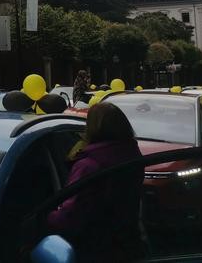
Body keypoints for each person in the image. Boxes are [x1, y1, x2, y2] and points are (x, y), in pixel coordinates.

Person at [45, 103, 144, 262]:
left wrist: (43, 219)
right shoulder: (132, 153)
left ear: (93, 128)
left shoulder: (90, 165)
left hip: (93, 246)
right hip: (125, 240)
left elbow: (71, 214)